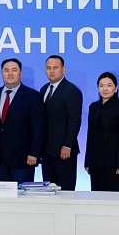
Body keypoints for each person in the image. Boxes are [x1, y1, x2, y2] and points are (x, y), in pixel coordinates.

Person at [0, 58, 45, 185]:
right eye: (6, 70)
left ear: (21, 73)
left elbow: (38, 128)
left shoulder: (33, 96)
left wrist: (34, 153)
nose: (10, 73)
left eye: (14, 70)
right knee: (0, 196)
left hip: (23, 159)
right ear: (1, 73)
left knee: (22, 195)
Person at [39, 55, 83, 191]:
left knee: (65, 191)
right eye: (48, 68)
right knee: (48, 191)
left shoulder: (72, 91)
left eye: (55, 68)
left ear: (63, 69)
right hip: (46, 151)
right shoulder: (44, 89)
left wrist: (67, 145)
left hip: (64, 152)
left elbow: (74, 120)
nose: (51, 71)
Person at [84, 72, 119, 192]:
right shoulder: (93, 107)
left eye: (109, 85)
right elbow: (90, 135)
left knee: (113, 197)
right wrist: (87, 161)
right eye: (101, 85)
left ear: (116, 88)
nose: (105, 89)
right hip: (95, 161)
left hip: (113, 162)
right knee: (96, 196)